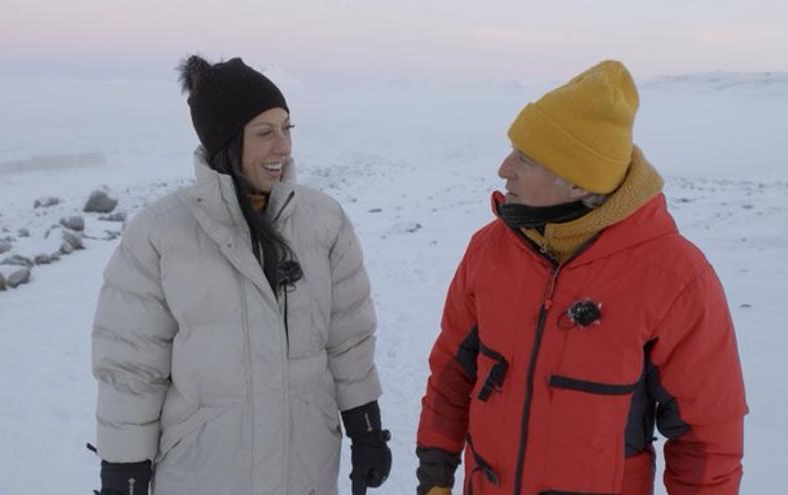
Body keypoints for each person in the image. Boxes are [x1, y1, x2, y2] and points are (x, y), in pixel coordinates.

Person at [415, 60, 747, 494]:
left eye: (526, 159)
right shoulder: (489, 249)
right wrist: (435, 474)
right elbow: (451, 376)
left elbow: (707, 439)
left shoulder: (675, 278)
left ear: (578, 183)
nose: (503, 168)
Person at [90, 55, 391, 495]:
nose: (283, 147)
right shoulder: (160, 233)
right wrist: (123, 468)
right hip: (205, 471)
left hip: (303, 467)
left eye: (287, 128)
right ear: (227, 142)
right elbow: (131, 367)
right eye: (265, 133)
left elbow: (348, 338)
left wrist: (366, 429)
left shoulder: (323, 221)